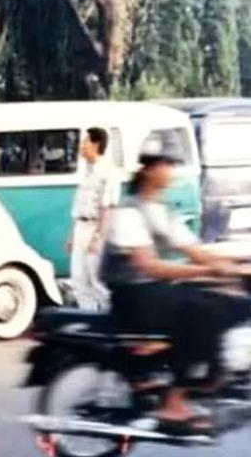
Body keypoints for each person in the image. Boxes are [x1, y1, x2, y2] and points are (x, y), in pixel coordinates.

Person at [101, 133, 246, 435]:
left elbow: (193, 249)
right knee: (202, 310)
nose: (171, 170)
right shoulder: (129, 211)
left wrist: (232, 268)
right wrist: (203, 273)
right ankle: (175, 400)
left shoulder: (161, 210)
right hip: (134, 296)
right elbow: (149, 266)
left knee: (231, 301)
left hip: (154, 291)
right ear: (149, 169)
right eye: (166, 163)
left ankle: (214, 373)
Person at [67, 128, 120, 312]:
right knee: (79, 280)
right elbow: (79, 205)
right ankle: (88, 318)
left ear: (96, 144)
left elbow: (107, 207)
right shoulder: (87, 171)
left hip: (95, 229)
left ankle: (109, 318)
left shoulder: (108, 172)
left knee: (97, 281)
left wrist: (98, 237)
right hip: (81, 227)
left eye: (85, 142)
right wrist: (72, 235)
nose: (81, 147)